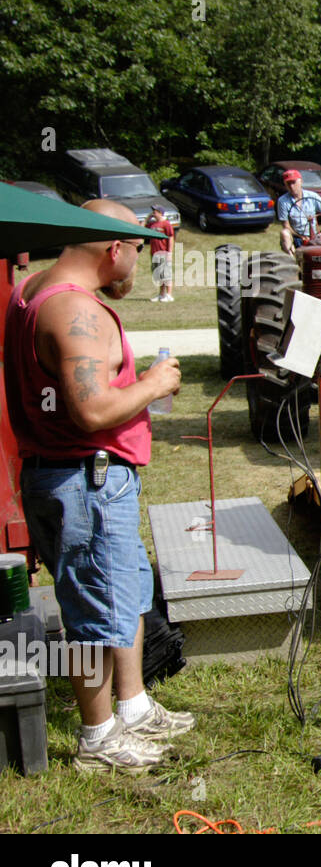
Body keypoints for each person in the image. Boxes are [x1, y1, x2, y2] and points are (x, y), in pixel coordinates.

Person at [4, 199, 191, 773]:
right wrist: (157, 384)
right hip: (84, 478)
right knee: (91, 613)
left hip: (91, 479)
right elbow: (92, 410)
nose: (138, 263)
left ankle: (131, 706)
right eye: (136, 249)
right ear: (115, 249)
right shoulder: (71, 312)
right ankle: (97, 735)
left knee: (124, 593)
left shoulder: (33, 287)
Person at [277, 169, 321, 254]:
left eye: (293, 182)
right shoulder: (283, 201)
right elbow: (286, 226)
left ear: (301, 181)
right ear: (285, 185)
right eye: (288, 183)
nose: (291, 186)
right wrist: (300, 236)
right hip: (296, 236)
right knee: (284, 233)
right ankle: (292, 261)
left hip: (315, 235)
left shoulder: (312, 196)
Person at [145, 205, 175, 302]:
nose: (153, 213)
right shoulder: (152, 224)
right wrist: (147, 218)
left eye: (155, 211)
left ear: (160, 213)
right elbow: (141, 227)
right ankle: (161, 294)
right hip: (154, 253)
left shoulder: (166, 224)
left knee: (166, 274)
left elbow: (170, 238)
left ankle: (169, 294)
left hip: (163, 252)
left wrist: (169, 252)